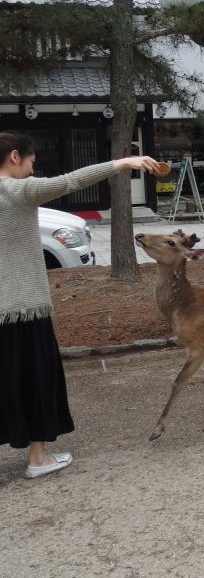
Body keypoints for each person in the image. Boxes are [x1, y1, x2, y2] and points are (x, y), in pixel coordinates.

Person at [0, 132, 161, 479]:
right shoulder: (16, 191)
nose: (31, 170)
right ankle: (38, 459)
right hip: (23, 308)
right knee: (35, 380)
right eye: (30, 163)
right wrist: (122, 162)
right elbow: (71, 181)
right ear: (15, 157)